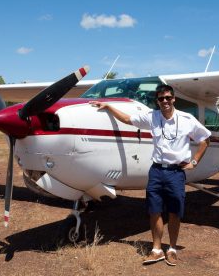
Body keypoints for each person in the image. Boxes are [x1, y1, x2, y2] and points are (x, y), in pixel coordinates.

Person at [90, 84, 211, 266]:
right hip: (156, 171)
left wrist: (194, 162)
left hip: (176, 172)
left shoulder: (187, 119)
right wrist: (108, 107)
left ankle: (171, 249)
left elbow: (205, 140)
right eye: (161, 99)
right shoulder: (152, 117)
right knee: (154, 211)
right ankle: (156, 250)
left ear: (173, 99)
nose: (165, 101)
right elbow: (127, 119)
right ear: (157, 101)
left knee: (174, 213)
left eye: (168, 98)